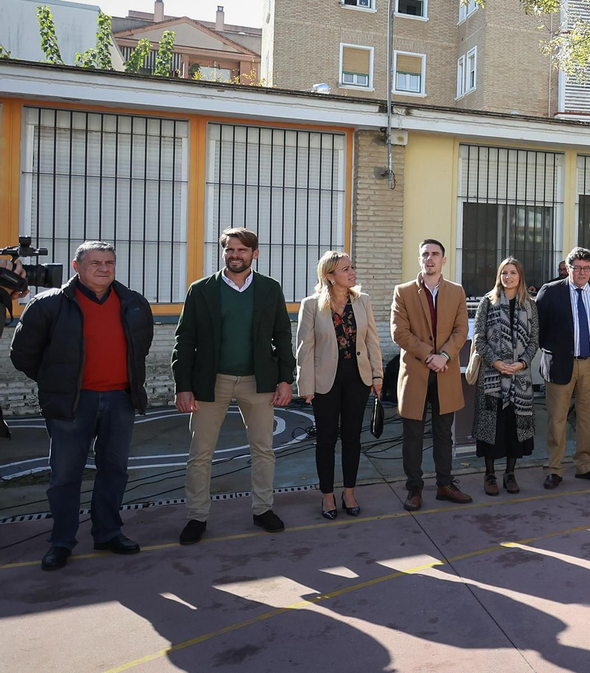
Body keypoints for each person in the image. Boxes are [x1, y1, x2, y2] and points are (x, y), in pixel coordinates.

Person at [10, 241, 153, 570]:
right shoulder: (49, 305)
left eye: (109, 262)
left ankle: (107, 532)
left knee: (114, 470)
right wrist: (57, 382)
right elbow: (23, 355)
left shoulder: (133, 303)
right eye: (95, 262)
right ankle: (61, 541)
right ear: (76, 267)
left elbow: (139, 348)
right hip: (73, 401)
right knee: (64, 475)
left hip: (120, 399)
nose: (104, 268)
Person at [172, 228, 295, 545]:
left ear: (255, 253)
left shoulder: (269, 289)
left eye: (241, 250)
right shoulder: (202, 290)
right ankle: (197, 517)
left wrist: (285, 379)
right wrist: (183, 385)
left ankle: (262, 509)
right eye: (229, 249)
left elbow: (282, 336)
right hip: (211, 382)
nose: (235, 255)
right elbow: (185, 339)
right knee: (201, 453)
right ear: (223, 252)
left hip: (259, 381)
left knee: (263, 450)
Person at [295, 251, 383, 518]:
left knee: (352, 438)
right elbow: (304, 348)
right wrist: (305, 385)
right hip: (325, 381)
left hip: (357, 378)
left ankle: (349, 491)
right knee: (325, 439)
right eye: (346, 269)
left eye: (352, 267)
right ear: (330, 276)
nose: (352, 272)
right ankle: (327, 496)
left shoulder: (362, 301)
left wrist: (377, 377)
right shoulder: (311, 305)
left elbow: (372, 342)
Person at [391, 238, 473, 510]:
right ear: (419, 259)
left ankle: (444, 484)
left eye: (435, 254)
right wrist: (429, 355)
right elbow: (399, 332)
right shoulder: (402, 292)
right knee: (412, 435)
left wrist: (446, 355)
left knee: (443, 434)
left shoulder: (456, 291)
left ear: (443, 260)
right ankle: (414, 489)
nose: (430, 258)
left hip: (445, 372)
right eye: (425, 253)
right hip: (416, 372)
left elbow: (461, 330)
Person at [533, 247, 590, 489]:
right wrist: (556, 349)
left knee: (588, 417)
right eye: (577, 268)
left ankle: (586, 465)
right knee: (557, 418)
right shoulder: (550, 292)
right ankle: (554, 469)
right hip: (560, 362)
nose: (582, 272)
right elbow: (539, 328)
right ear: (568, 269)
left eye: (586, 268)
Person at [472, 257, 540, 495]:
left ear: (520, 276)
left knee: (515, 428)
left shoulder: (530, 305)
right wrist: (496, 362)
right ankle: (489, 474)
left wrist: (522, 362)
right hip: (492, 378)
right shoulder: (487, 303)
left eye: (513, 272)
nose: (508, 277)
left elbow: (534, 341)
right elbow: (478, 338)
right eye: (504, 273)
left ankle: (510, 473)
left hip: (520, 379)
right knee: (491, 427)